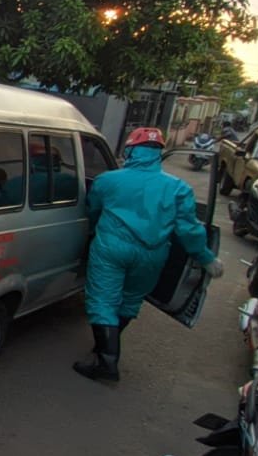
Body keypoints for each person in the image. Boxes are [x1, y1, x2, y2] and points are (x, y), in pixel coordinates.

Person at [72, 127, 224, 382]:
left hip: (112, 248)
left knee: (102, 301)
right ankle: (105, 349)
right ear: (158, 153)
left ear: (130, 150)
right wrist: (206, 258)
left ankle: (107, 361)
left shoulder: (108, 180)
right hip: (153, 254)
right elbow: (189, 230)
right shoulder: (178, 188)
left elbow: (93, 211)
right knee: (130, 301)